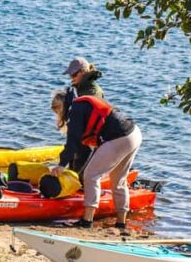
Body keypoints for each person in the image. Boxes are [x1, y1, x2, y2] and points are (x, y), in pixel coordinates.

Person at [49, 90, 142, 229]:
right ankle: (121, 223)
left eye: (57, 110)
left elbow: (72, 142)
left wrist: (61, 165)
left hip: (119, 138)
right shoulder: (82, 105)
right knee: (118, 180)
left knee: (91, 175)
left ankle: (87, 220)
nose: (57, 114)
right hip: (134, 134)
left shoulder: (75, 111)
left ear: (61, 106)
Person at [62, 57, 105, 172]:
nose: (72, 78)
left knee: (81, 174)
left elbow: (86, 117)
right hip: (81, 137)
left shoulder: (93, 91)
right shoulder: (80, 88)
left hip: (89, 139)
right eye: (70, 76)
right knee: (73, 166)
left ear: (83, 72)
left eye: (74, 75)